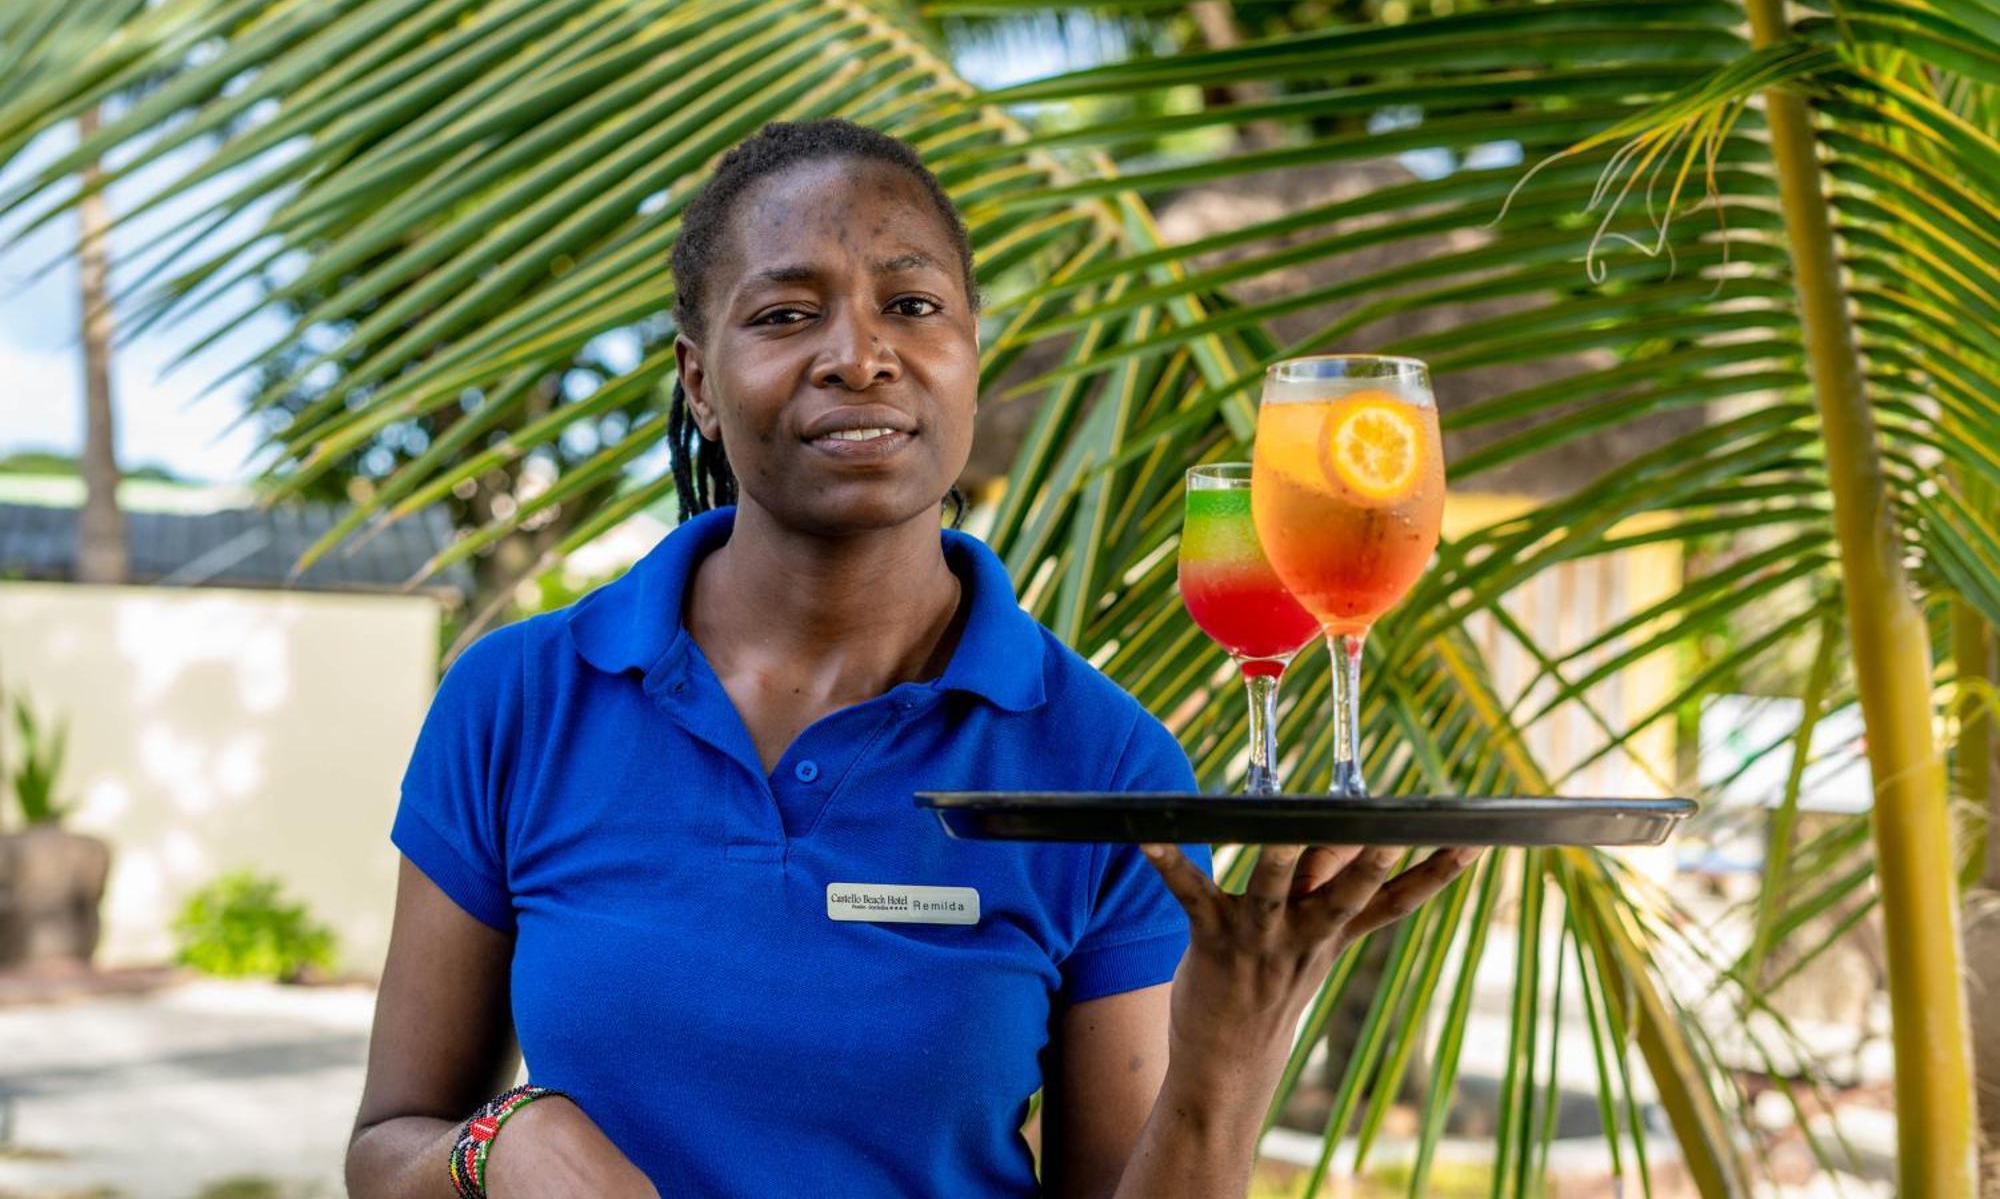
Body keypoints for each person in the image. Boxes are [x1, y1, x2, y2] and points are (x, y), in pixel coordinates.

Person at [344, 118, 1476, 1198]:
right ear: (697, 379)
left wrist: (1227, 1055)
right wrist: (501, 1142)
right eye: (786, 314)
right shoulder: (519, 702)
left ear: (969, 353)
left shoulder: (1103, 761)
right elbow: (385, 1152)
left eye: (912, 304)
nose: (859, 356)